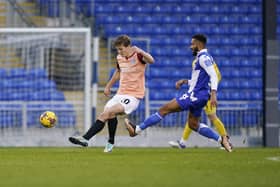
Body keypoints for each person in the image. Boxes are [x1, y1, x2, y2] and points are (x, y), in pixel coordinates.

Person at [124, 34, 232, 152]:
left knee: (164, 109)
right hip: (200, 96)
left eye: (192, 44)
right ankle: (221, 140)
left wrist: (214, 94)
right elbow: (200, 80)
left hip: (195, 95)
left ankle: (137, 130)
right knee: (193, 124)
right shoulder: (204, 57)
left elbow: (214, 75)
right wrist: (185, 81)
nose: (190, 47)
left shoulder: (203, 58)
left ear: (198, 44)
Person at [69, 35, 154, 152]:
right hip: (120, 93)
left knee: (109, 111)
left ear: (128, 46)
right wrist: (108, 86)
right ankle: (111, 141)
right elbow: (118, 72)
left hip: (133, 96)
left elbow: (151, 60)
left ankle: (85, 139)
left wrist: (141, 50)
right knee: (105, 114)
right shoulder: (120, 58)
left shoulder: (138, 55)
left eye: (121, 49)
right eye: (117, 49)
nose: (119, 52)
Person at [168, 60, 231, 149]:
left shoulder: (204, 62)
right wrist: (185, 81)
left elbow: (216, 77)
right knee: (192, 119)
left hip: (206, 95)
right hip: (200, 94)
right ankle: (182, 142)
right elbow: (197, 81)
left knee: (212, 116)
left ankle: (225, 140)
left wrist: (209, 89)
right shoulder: (205, 62)